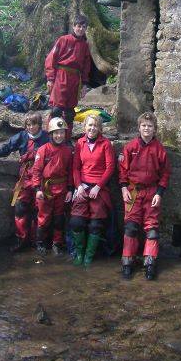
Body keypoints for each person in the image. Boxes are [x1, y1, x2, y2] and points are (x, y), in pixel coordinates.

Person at [0, 112, 49, 252]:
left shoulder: (47, 138)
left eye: (34, 124)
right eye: (28, 125)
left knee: (38, 210)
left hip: (42, 179)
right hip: (25, 178)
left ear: (39, 125)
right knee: (20, 208)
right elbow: (7, 147)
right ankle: (21, 239)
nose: (31, 127)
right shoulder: (21, 137)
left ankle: (38, 242)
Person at [119, 111, 171, 280]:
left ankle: (150, 263)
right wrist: (124, 188)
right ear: (139, 127)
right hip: (133, 191)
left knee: (152, 231)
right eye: (143, 126)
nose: (146, 128)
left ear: (154, 129)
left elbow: (165, 173)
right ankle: (127, 262)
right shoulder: (130, 147)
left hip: (152, 192)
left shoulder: (159, 149)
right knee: (131, 228)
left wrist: (160, 193)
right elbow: (123, 171)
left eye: (150, 126)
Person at [69, 114, 116, 266]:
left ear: (100, 128)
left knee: (95, 225)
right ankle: (79, 254)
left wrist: (98, 186)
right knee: (76, 222)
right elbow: (76, 168)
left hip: (98, 189)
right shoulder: (80, 143)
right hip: (82, 186)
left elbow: (110, 168)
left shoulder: (106, 144)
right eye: (89, 125)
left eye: (95, 125)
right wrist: (78, 186)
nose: (92, 128)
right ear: (85, 127)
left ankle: (89, 257)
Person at [45, 15, 92, 139]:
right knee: (56, 110)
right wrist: (50, 78)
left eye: (83, 27)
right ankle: (50, 136)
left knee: (70, 112)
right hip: (61, 76)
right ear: (74, 26)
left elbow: (86, 65)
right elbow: (51, 58)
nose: (81, 29)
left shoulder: (85, 45)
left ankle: (66, 138)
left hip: (75, 79)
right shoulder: (63, 40)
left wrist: (84, 84)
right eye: (78, 26)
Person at [32, 117, 74, 256]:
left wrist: (69, 189)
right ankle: (40, 243)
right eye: (56, 133)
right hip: (46, 189)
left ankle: (57, 243)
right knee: (43, 218)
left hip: (61, 189)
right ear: (50, 134)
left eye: (61, 133)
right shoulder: (43, 150)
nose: (59, 136)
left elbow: (70, 172)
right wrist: (37, 189)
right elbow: (37, 170)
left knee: (58, 218)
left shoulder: (68, 151)